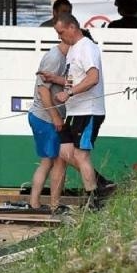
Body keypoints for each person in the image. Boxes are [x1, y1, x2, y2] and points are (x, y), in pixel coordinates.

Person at [51, 15, 109, 201]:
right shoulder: (72, 50)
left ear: (72, 27)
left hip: (88, 109)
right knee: (64, 151)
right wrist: (55, 80)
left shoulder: (87, 47)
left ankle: (93, 198)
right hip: (75, 110)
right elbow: (74, 79)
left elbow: (93, 78)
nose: (60, 37)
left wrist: (68, 93)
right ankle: (100, 182)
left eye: (61, 32)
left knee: (80, 154)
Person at [14, 33, 70, 213]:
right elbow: (43, 91)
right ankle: (50, 204)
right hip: (44, 117)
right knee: (57, 161)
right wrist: (55, 117)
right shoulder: (55, 58)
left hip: (45, 117)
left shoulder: (63, 57)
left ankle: (35, 202)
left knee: (47, 161)